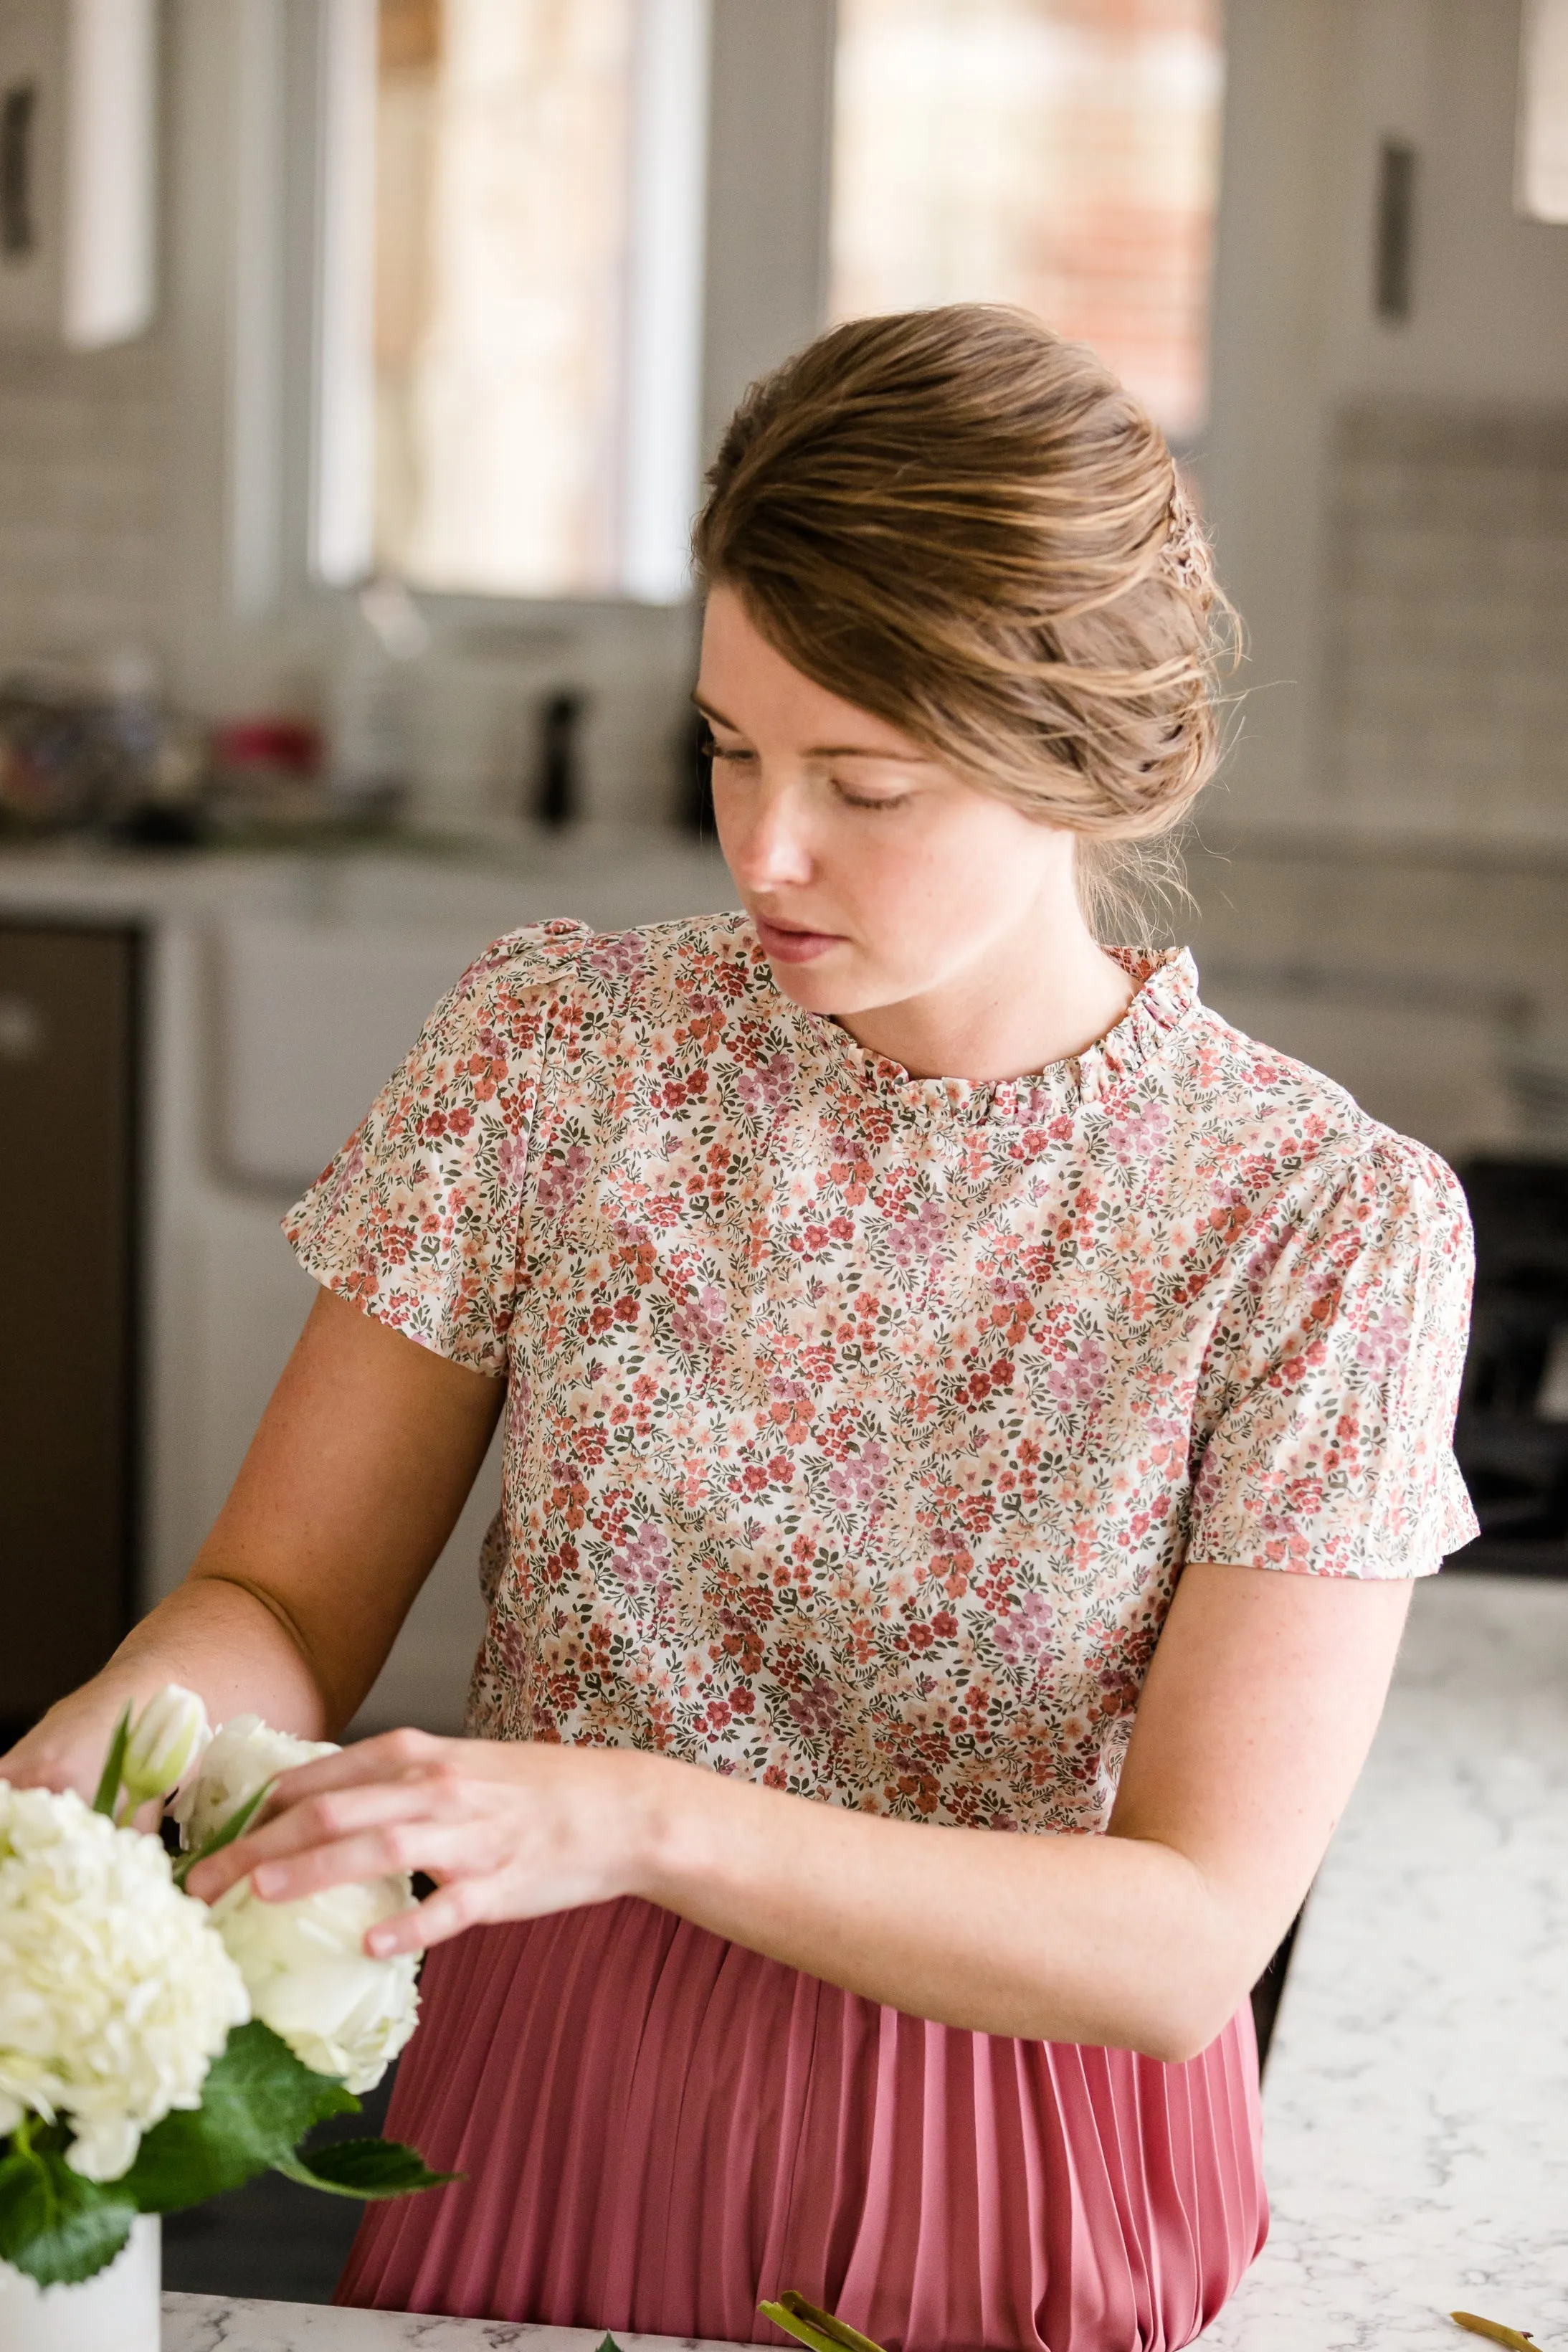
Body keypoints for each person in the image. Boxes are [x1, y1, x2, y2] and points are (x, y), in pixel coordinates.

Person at [3, 306, 1478, 2352]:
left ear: (1083, 765)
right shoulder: (555, 1052)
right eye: (726, 745)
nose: (763, 846)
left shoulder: (1320, 1226)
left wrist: (629, 1815)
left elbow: (1185, 1937)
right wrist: (140, 1735)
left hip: (1019, 2165)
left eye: (862, 781)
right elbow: (278, 1592)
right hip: (541, 2096)